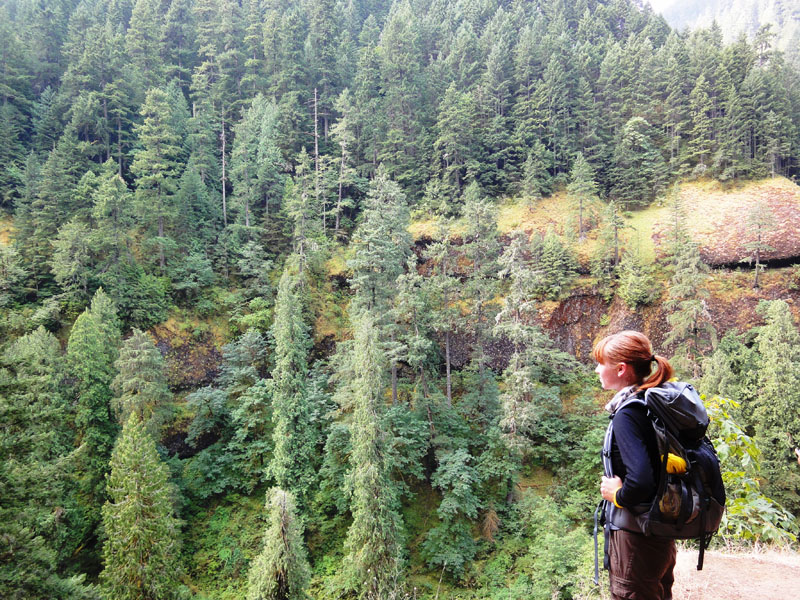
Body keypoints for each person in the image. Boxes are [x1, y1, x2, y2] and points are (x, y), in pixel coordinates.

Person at [594, 330, 676, 600]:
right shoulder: (651, 401)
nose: (596, 370)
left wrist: (617, 495)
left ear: (620, 369)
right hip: (659, 532)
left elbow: (641, 480)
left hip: (636, 537)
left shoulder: (627, 414)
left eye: (600, 363)